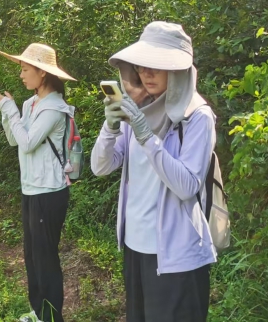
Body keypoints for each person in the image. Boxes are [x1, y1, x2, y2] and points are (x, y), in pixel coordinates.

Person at [90, 22, 217, 322]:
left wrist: (147, 135)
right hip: (136, 247)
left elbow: (187, 186)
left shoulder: (197, 117)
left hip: (177, 258)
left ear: (178, 71)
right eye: (142, 65)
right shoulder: (138, 107)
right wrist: (109, 127)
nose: (146, 73)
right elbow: (100, 166)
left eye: (157, 66)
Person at [0, 43, 75, 322]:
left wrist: (10, 109)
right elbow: (15, 139)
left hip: (49, 191)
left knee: (46, 258)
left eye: (25, 69)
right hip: (30, 187)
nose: (21, 74)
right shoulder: (31, 104)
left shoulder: (54, 108)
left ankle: (52, 318)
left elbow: (27, 144)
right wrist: (7, 111)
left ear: (42, 73)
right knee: (31, 256)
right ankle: (39, 312)